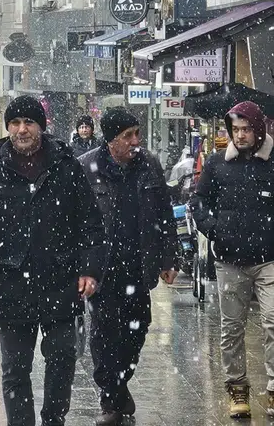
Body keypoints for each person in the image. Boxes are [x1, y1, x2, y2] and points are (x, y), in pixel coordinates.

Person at [0, 96, 106, 426]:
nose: (22, 129)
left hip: (61, 279)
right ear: (8, 128)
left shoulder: (67, 168)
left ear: (41, 126)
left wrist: (90, 270)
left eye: (29, 123)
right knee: (15, 370)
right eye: (15, 123)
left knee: (63, 359)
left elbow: (91, 225)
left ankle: (54, 419)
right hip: (11, 283)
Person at [77, 108, 178, 425]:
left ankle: (119, 385)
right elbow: (73, 222)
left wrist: (168, 258)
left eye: (137, 133)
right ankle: (110, 400)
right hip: (103, 268)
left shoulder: (149, 165)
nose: (136, 141)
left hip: (139, 265)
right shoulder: (86, 168)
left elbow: (164, 215)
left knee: (136, 331)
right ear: (110, 140)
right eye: (127, 136)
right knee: (105, 333)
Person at [190, 101, 274, 419]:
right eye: (235, 130)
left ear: (258, 129)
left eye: (245, 129)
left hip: (269, 258)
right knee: (232, 328)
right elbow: (198, 200)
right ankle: (237, 390)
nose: (240, 135)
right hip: (230, 259)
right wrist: (214, 229)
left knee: (273, 322)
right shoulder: (217, 164)